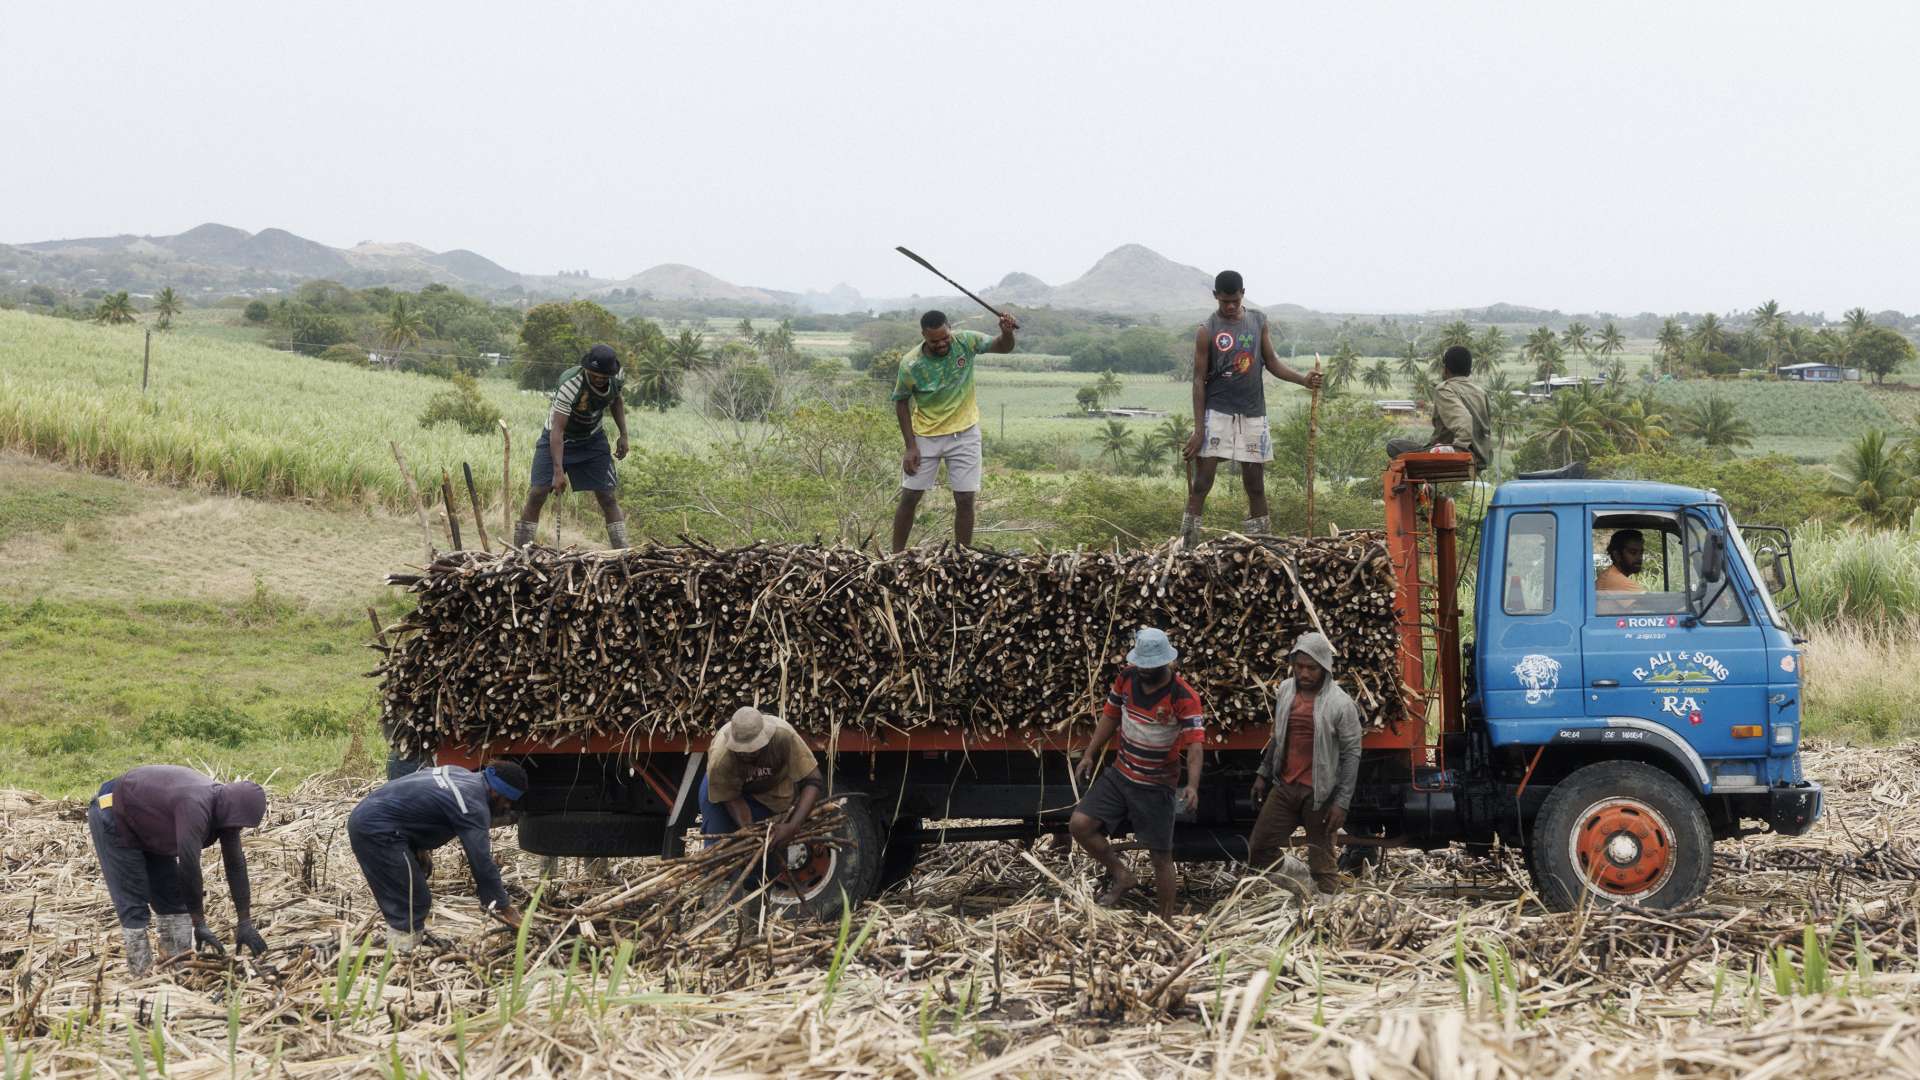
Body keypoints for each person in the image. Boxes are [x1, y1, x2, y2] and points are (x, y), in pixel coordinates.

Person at [1068, 627, 1206, 919]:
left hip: (1156, 784)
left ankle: (1165, 920)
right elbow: (1110, 716)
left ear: (1165, 663)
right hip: (1121, 774)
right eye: (1140, 664)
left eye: (1150, 667)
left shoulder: (1184, 696)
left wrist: (1192, 785)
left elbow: (1195, 745)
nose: (1143, 670)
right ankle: (1122, 874)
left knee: (1160, 855)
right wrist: (1090, 753)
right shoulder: (1127, 678)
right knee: (1080, 824)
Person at [1180, 271, 1323, 547]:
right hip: (1217, 412)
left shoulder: (1258, 322)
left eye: (1235, 300)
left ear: (1243, 294)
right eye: (1225, 302)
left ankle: (1262, 547)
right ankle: (1187, 546)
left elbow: (1272, 362)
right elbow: (1198, 381)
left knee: (1255, 485)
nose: (1231, 306)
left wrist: (1303, 380)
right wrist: (1199, 430)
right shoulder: (1206, 329)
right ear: (1215, 296)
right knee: (1202, 483)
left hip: (1253, 412)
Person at [86, 765, 269, 976]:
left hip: (148, 822)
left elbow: (235, 864)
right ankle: (141, 977)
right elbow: (189, 866)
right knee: (133, 904)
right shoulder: (196, 805)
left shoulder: (226, 810)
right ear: (230, 808)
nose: (237, 829)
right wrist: (199, 923)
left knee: (173, 900)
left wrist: (244, 922)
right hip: (113, 812)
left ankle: (179, 970)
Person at [347, 762, 528, 953]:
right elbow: (481, 862)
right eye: (508, 801)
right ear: (496, 793)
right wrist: (504, 907)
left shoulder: (459, 772)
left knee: (413, 890)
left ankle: (409, 942)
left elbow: (422, 793)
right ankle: (401, 953)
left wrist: (419, 847)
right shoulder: (473, 805)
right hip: (376, 830)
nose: (507, 806)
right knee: (412, 900)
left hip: (372, 813)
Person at [890, 309, 1019, 552]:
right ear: (924, 336)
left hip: (965, 433)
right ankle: (894, 557)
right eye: (934, 341)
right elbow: (901, 402)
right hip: (926, 435)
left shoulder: (966, 341)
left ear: (950, 329)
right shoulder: (911, 363)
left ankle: (962, 557)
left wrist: (1007, 332)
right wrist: (910, 446)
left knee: (965, 498)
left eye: (945, 337)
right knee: (910, 496)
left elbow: (1003, 347)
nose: (941, 344)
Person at [1247, 632, 1362, 896]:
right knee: (1258, 849)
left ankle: (1329, 912)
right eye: (1299, 667)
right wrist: (1263, 773)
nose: (1304, 673)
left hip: (1319, 793)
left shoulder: (1340, 703)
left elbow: (1352, 754)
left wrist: (1342, 802)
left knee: (1323, 865)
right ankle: (1301, 880)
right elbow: (1278, 736)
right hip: (1286, 786)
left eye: (1311, 668)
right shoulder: (1286, 690)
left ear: (1324, 668)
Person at [512, 343, 632, 550]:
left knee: (607, 496)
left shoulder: (617, 377)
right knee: (538, 492)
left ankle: (623, 552)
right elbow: (557, 431)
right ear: (586, 368)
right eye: (595, 374)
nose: (599, 379)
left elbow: (616, 401)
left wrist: (623, 434)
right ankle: (520, 552)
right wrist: (558, 472)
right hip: (559, 438)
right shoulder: (570, 384)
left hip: (592, 439)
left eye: (604, 376)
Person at [700, 707, 826, 849]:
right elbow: (732, 798)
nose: (746, 754)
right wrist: (751, 832)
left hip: (770, 791)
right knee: (720, 847)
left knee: (772, 846)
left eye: (752, 750)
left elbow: (813, 779)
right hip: (725, 792)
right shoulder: (721, 757)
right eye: (741, 751)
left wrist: (793, 826)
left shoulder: (783, 736)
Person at [1386, 344, 1492, 472]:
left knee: (1393, 445)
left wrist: (1457, 451)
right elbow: (1486, 429)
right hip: (1479, 459)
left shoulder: (1445, 389)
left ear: (1446, 369)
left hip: (1452, 456)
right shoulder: (1481, 392)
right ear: (1469, 371)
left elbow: (1464, 421)